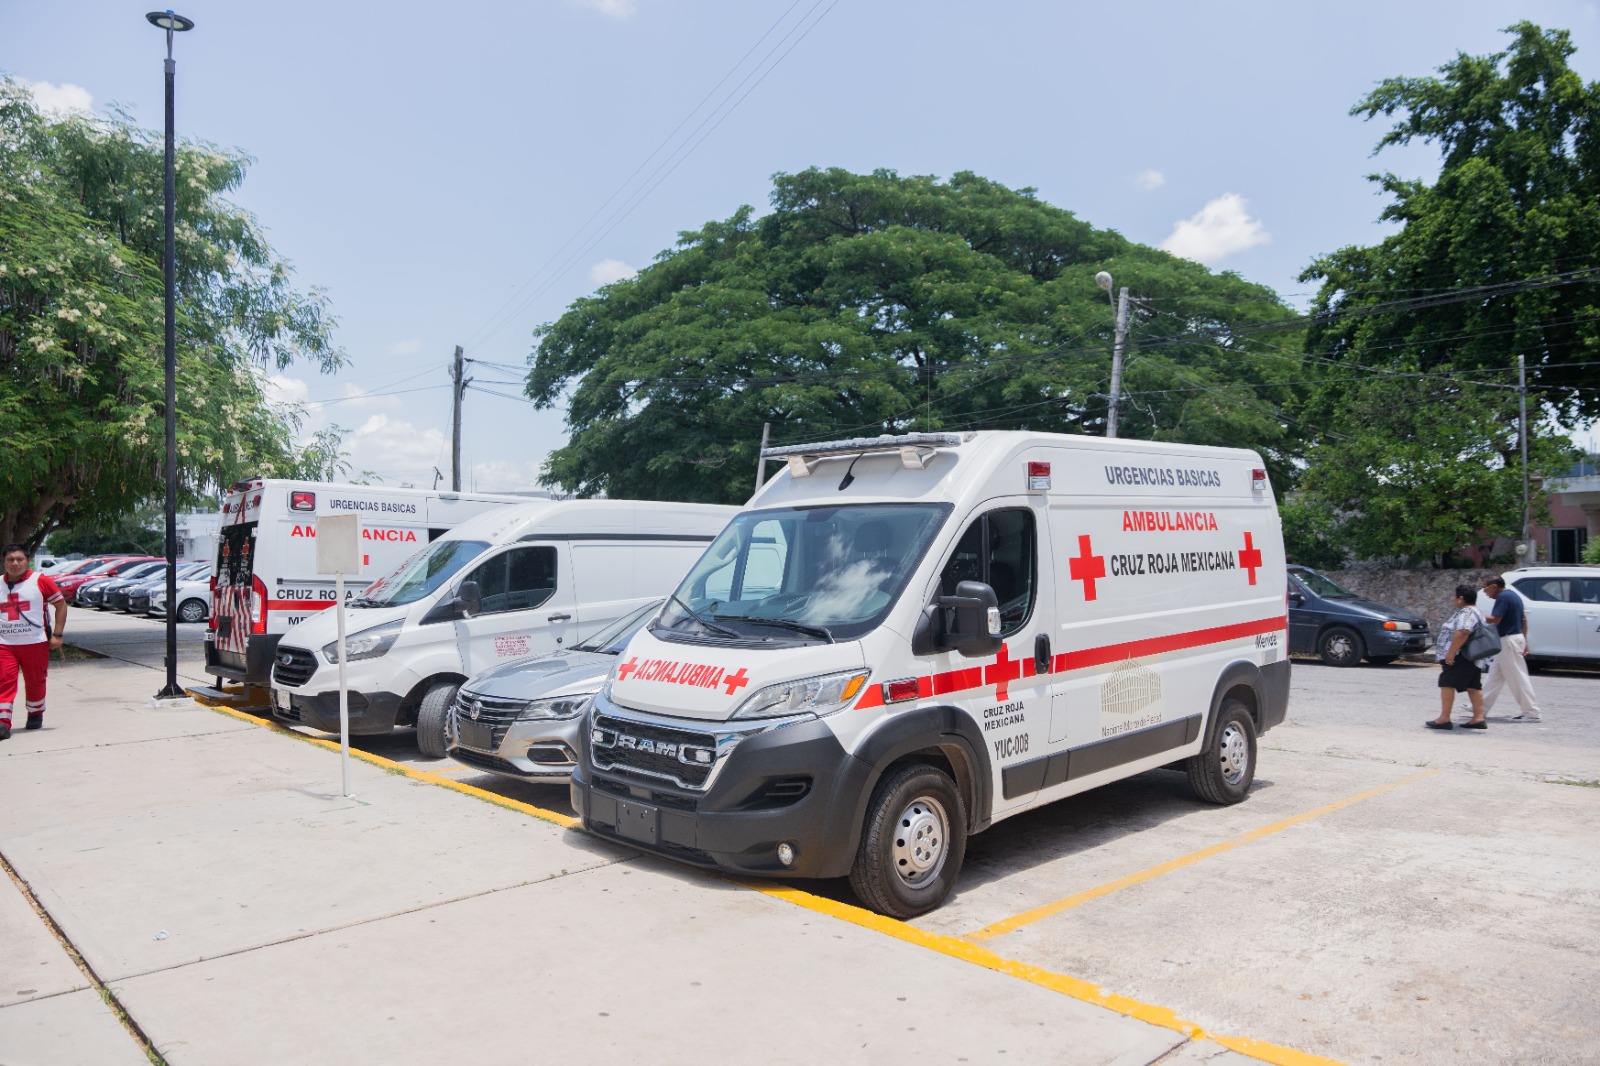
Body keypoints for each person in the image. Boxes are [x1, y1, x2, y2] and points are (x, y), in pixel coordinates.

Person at [0, 544, 68, 741]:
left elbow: (61, 605)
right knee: (4, 680)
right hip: (5, 644)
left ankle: (35, 713)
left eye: (19, 559)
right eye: (10, 559)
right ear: (4, 562)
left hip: (35, 643)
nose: (14, 563)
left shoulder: (41, 581)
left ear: (27, 561)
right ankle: (3, 723)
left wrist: (58, 634)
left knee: (35, 681)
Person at [1427, 584, 1492, 730]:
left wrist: (1451, 652)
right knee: (1473, 685)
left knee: (1446, 682)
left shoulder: (1467, 613)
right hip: (1471, 656)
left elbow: (1463, 631)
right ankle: (1478, 718)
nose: (1453, 599)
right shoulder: (1476, 612)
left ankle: (1444, 719)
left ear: (1461, 599)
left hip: (1461, 655)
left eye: (1454, 597)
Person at [1479, 574, 1542, 722]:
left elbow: (1496, 619)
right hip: (1512, 639)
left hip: (1508, 641)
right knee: (1494, 676)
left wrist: (1476, 615)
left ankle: (1531, 712)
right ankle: (1480, 707)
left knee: (1518, 678)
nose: (1484, 592)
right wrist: (1524, 640)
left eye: (1485, 588)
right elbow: (1523, 620)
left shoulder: (1502, 597)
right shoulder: (1513, 595)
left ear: (1494, 586)